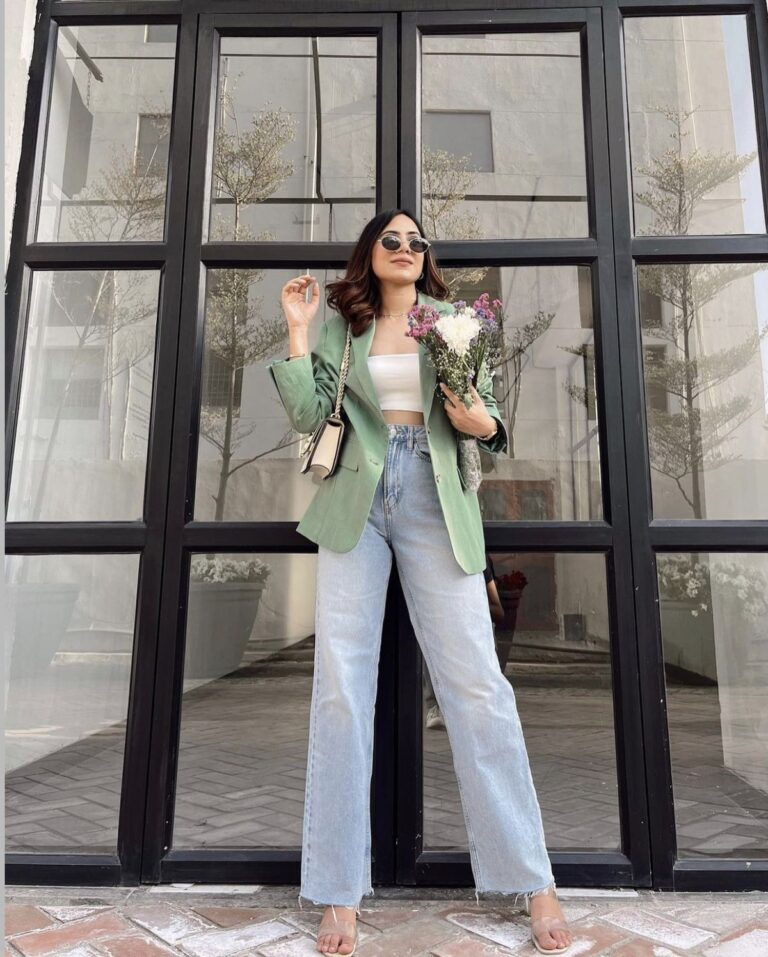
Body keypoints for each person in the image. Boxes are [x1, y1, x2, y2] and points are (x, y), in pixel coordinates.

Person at [267, 208, 573, 956]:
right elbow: (309, 414)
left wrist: (476, 418)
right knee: (342, 687)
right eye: (390, 240)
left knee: (476, 686)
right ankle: (338, 889)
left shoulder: (456, 323)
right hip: (358, 501)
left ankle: (533, 877)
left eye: (415, 241)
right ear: (369, 254)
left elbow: (492, 422)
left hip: (437, 497)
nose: (405, 249)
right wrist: (300, 328)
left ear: (425, 257)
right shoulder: (344, 321)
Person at [424, 552, 505, 729]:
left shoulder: (477, 559)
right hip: (444, 627)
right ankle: (436, 707)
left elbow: (498, 611)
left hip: (472, 625)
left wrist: (468, 604)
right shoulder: (430, 560)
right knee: (432, 637)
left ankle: (486, 707)